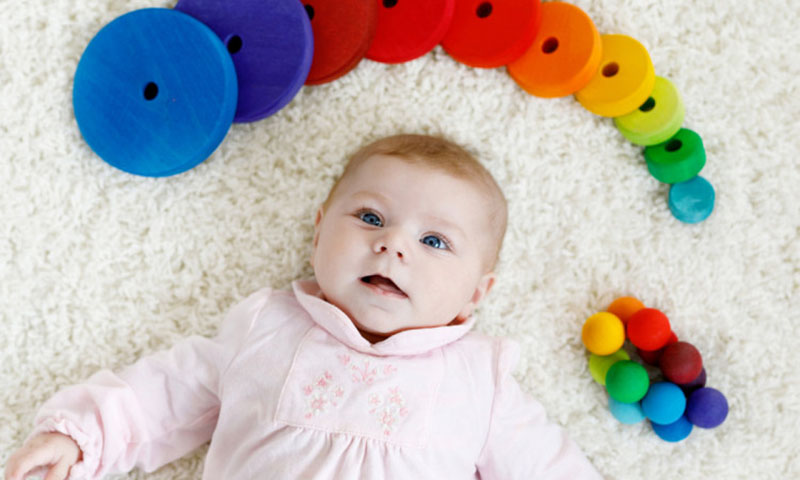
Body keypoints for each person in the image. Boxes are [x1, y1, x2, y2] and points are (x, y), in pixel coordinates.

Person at [5, 134, 601, 479]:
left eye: (435, 241)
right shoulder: (266, 326)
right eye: (371, 216)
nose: (393, 244)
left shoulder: (480, 380)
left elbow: (549, 467)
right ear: (318, 234)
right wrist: (80, 436)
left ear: (476, 292)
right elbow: (164, 394)